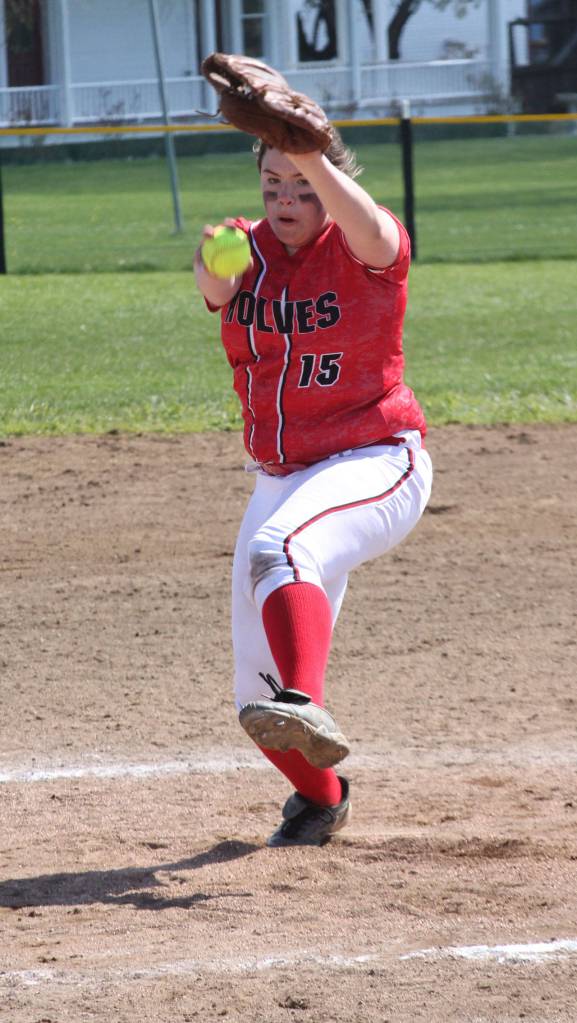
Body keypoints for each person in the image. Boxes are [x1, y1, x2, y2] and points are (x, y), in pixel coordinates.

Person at [193, 128, 432, 848]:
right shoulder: (249, 248)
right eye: (272, 185)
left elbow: (368, 225)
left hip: (374, 458)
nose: (285, 198)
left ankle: (308, 699)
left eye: (301, 185)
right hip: (282, 472)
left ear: (328, 182)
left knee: (281, 549)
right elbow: (213, 290)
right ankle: (322, 799)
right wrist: (215, 259)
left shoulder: (367, 245)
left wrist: (309, 157)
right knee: (252, 698)